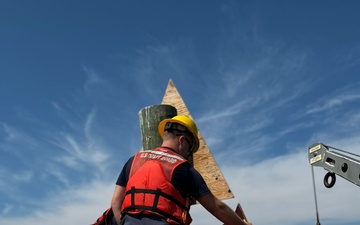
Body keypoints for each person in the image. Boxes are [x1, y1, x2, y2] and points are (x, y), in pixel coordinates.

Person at [110, 115, 252, 225]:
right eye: (190, 148)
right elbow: (217, 208)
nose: (188, 154)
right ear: (182, 140)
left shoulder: (134, 160)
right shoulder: (184, 169)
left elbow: (116, 203)